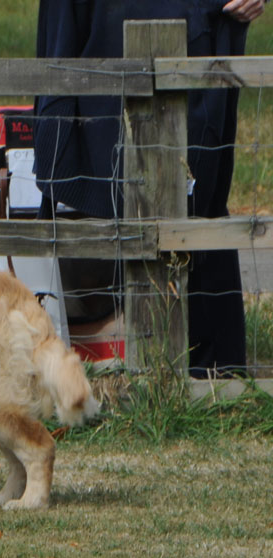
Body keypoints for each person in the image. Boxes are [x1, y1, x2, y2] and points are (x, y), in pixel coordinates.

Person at [34, 0, 266, 377]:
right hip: (103, 35)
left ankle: (210, 375)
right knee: (113, 190)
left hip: (191, 31)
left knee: (196, 198)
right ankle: (128, 366)